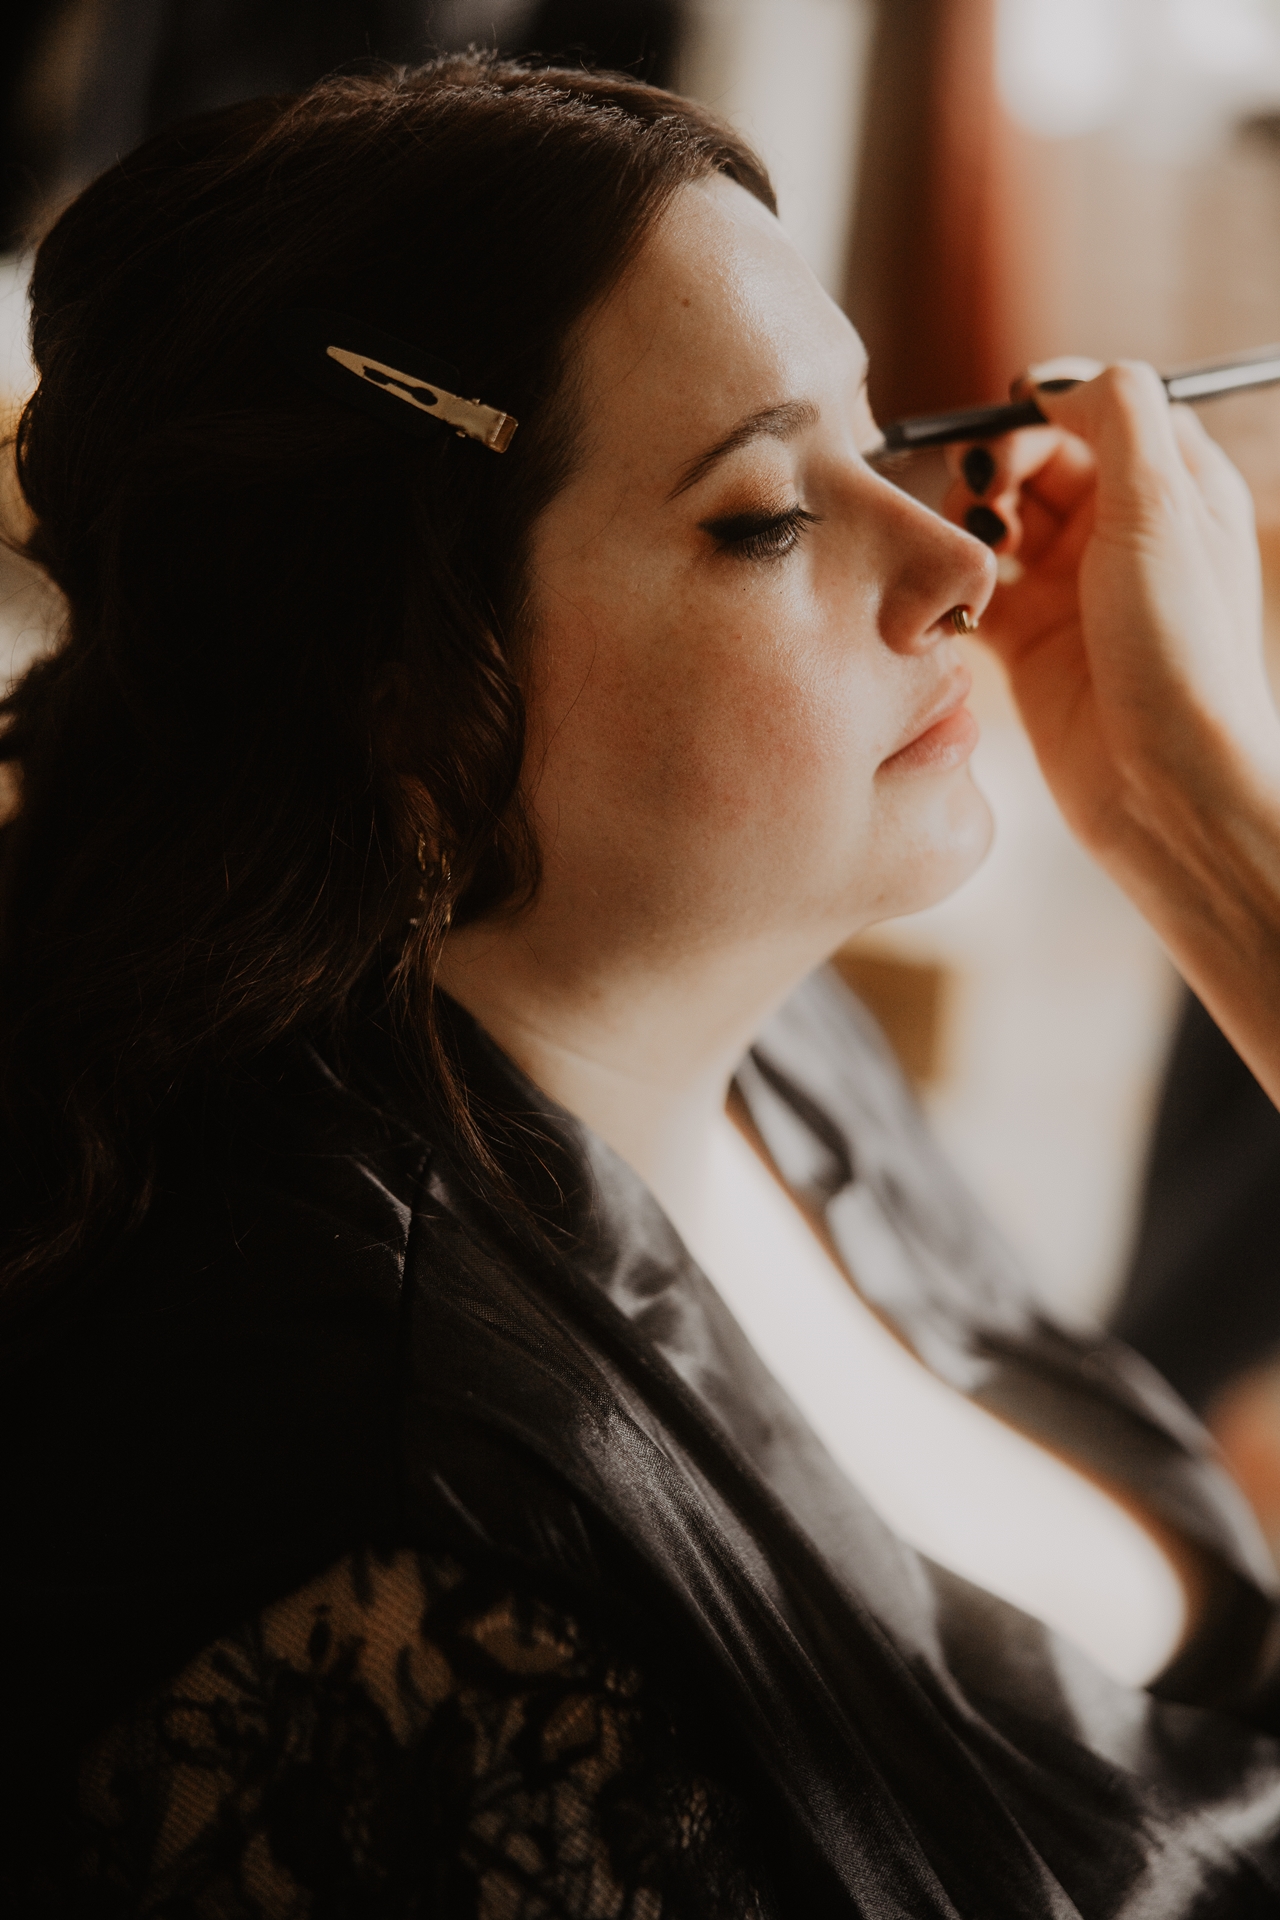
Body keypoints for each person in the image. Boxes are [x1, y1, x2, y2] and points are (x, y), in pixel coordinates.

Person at [4, 53, 1280, 1918]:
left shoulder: (757, 1040)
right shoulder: (399, 1575)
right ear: (409, 698)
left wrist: (1209, 837)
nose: (957, 555)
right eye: (766, 514)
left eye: (888, 434)